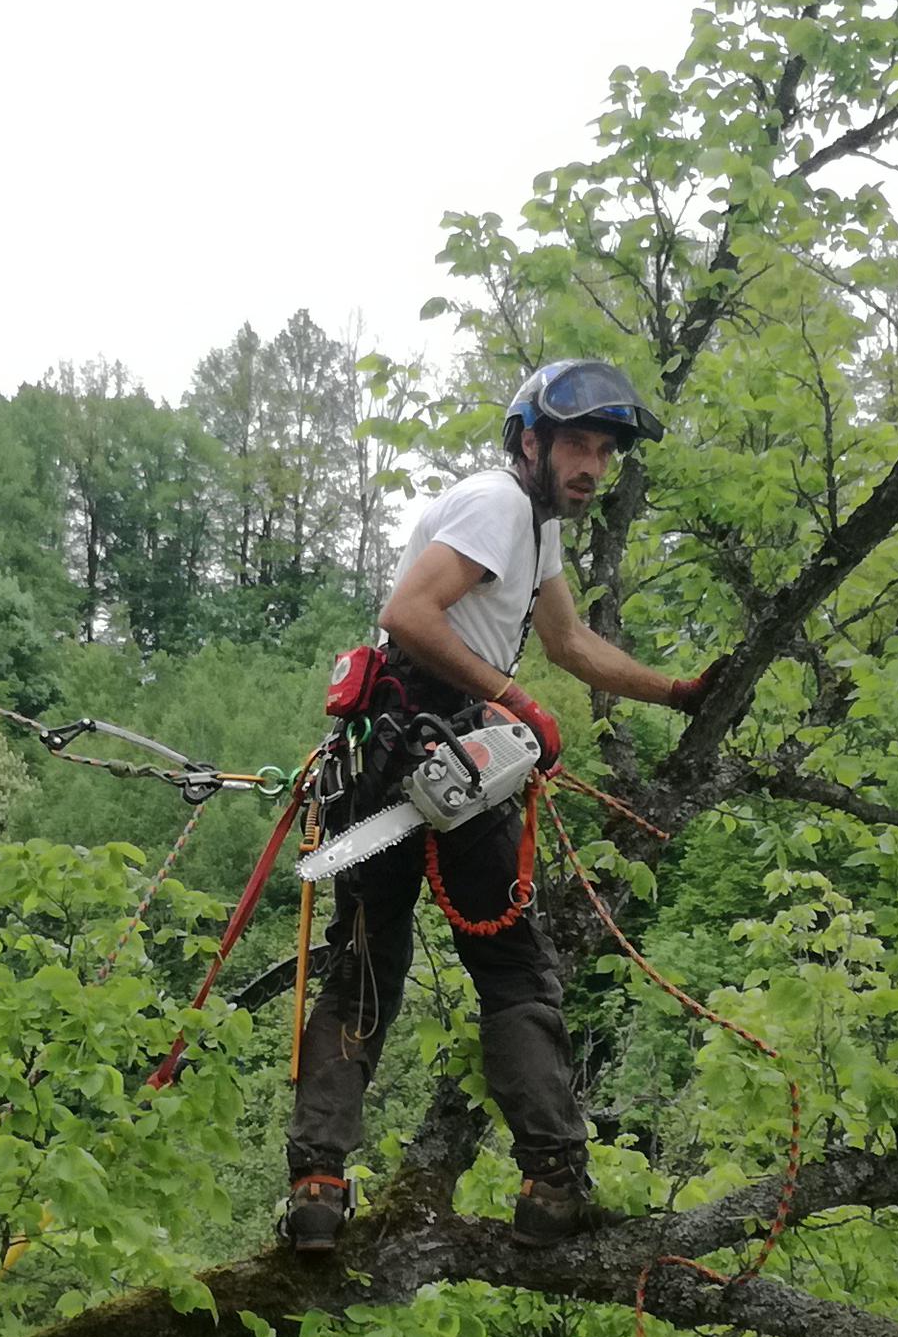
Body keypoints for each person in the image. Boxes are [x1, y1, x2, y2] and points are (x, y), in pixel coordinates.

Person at [283, 358, 710, 1255]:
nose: (593, 465)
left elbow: (568, 642)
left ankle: (318, 1190)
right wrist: (513, 705)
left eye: (604, 450)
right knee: (514, 973)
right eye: (579, 445)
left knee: (363, 973)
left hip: (384, 761)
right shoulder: (499, 504)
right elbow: (409, 614)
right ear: (530, 439)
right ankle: (553, 1182)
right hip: (441, 749)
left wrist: (674, 692)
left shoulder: (534, 529)